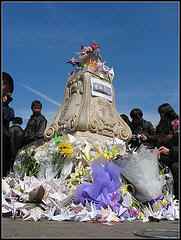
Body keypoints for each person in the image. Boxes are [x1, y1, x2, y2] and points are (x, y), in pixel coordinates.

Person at [2, 94, 15, 176]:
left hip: (5, 134)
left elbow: (9, 117)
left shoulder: (10, 110)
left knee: (6, 156)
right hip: (5, 133)